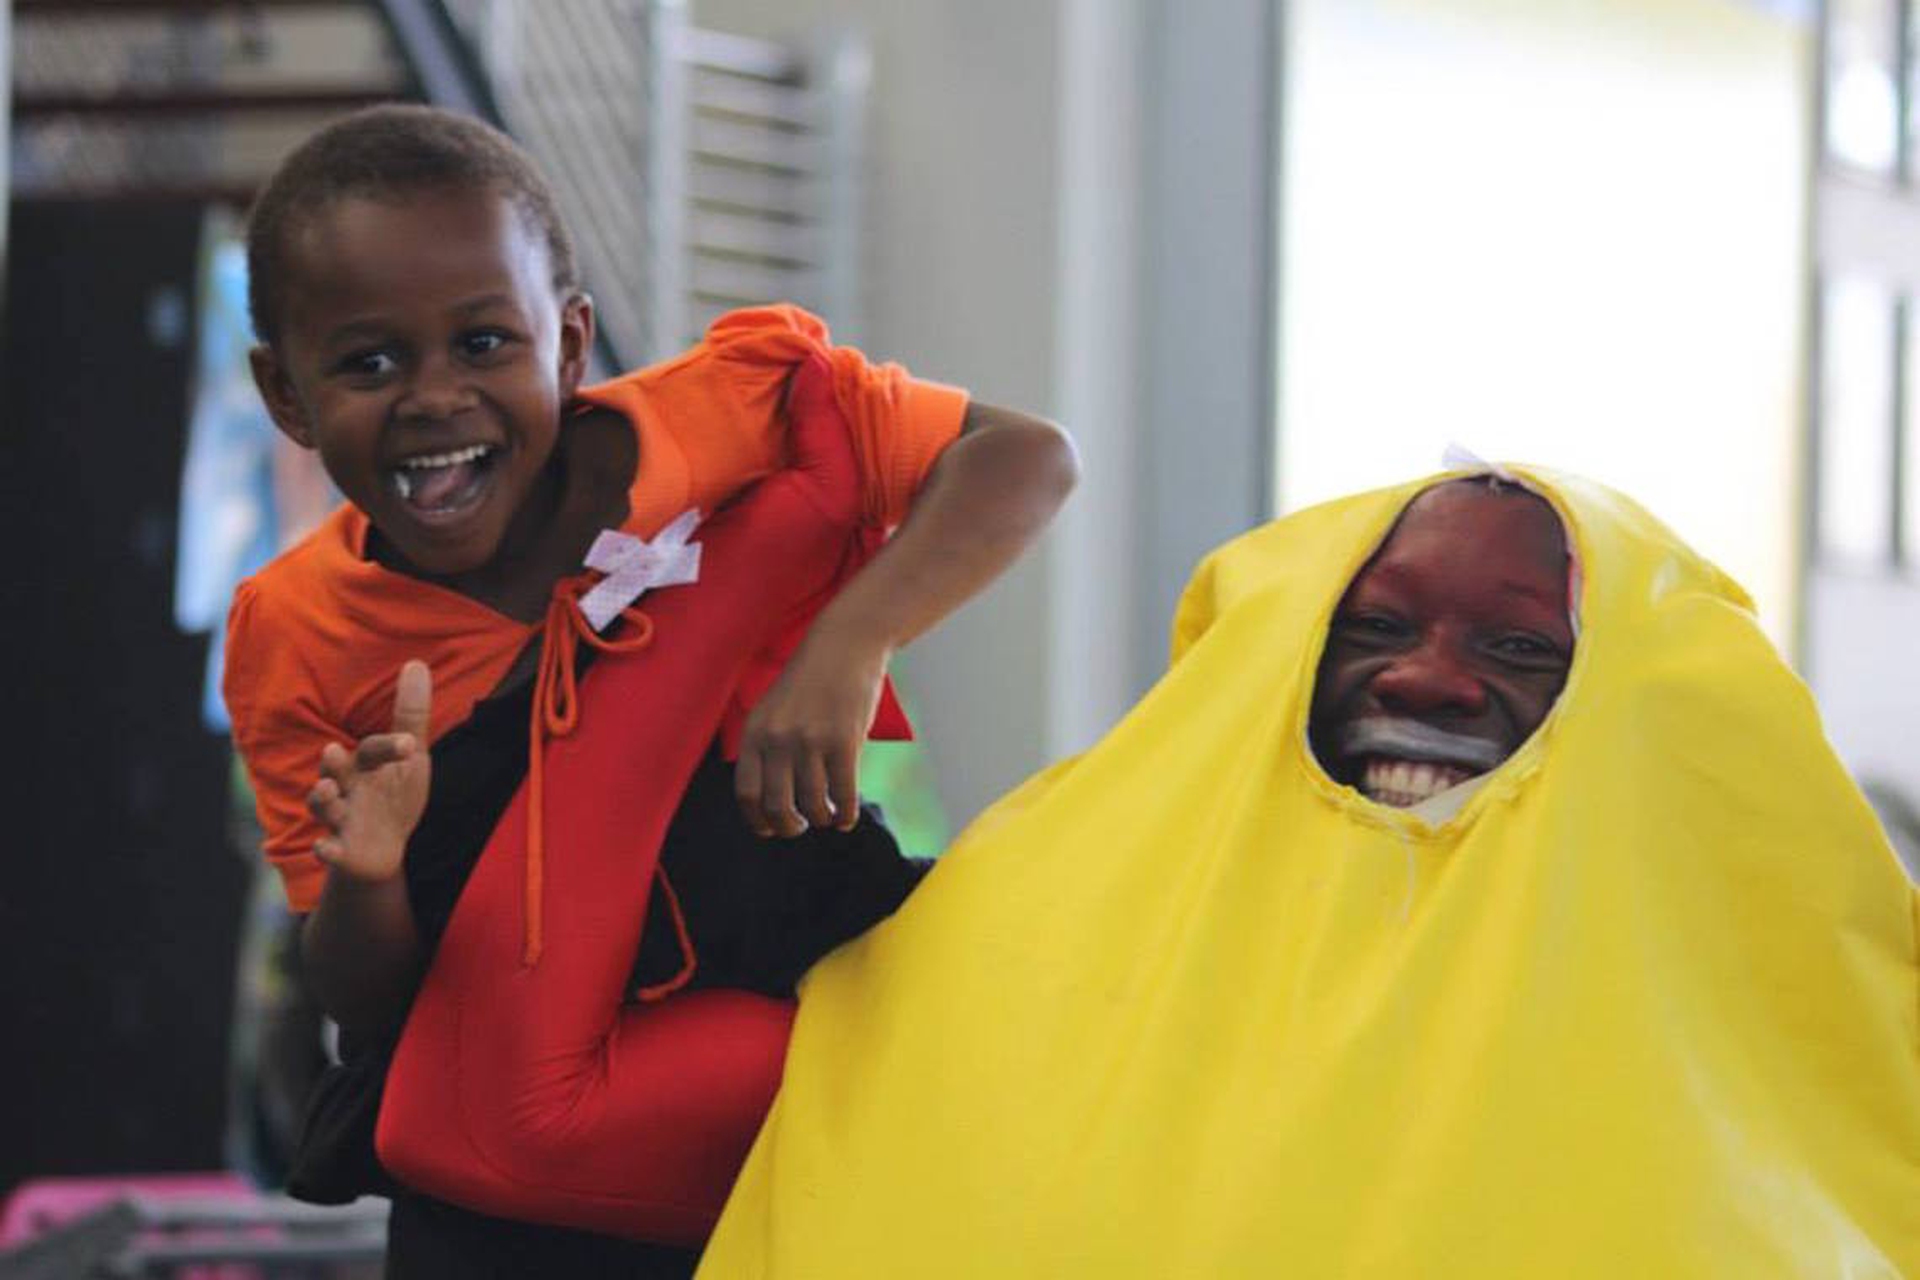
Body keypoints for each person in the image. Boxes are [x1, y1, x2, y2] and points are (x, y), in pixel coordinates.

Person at [220, 104, 1076, 1273]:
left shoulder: (726, 418)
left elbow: (1025, 457)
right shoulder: (298, 631)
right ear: (285, 394)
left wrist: (851, 640)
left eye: (485, 343)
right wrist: (368, 876)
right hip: (515, 1186)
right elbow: (359, 990)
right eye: (369, 362)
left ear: (569, 343)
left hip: (771, 978)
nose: (434, 396)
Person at [702, 467, 1920, 1277]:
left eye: (1517, 645)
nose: (1426, 677)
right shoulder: (1018, 924)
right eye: (1375, 626)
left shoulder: (1766, 1068)